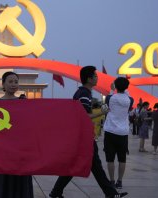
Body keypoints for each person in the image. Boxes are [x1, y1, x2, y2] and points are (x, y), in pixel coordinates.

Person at [49, 66, 127, 198]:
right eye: (95, 76)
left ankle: (55, 192)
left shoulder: (83, 93)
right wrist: (102, 112)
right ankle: (111, 194)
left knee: (81, 166)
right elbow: (83, 116)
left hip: (81, 136)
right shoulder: (84, 94)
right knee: (92, 166)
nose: (97, 78)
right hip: (83, 138)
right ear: (89, 79)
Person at [0, 71, 34, 198]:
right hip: (0, 153)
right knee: (1, 183)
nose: (13, 84)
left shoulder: (24, 104)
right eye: (10, 82)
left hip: (20, 152)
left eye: (16, 82)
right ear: (3, 84)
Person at [103, 78, 134, 189]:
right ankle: (120, 181)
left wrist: (112, 90)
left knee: (110, 158)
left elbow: (108, 102)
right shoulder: (130, 100)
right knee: (122, 158)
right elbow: (129, 100)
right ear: (126, 87)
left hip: (110, 131)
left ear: (115, 86)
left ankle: (112, 181)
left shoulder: (110, 98)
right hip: (123, 132)